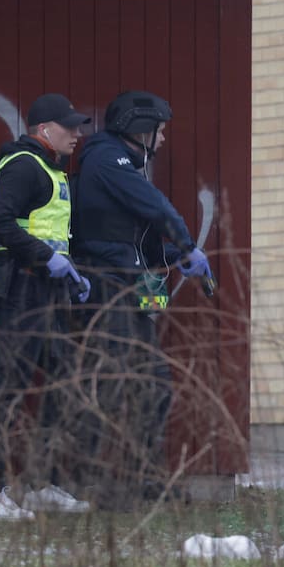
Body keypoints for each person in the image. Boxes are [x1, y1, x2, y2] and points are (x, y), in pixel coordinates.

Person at [69, 90, 212, 505]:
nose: (163, 139)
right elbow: (155, 207)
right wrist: (186, 243)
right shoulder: (106, 159)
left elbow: (133, 240)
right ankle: (98, 484)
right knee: (112, 385)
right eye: (159, 131)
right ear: (139, 129)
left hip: (125, 284)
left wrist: (173, 257)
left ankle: (147, 479)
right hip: (106, 286)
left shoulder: (123, 165)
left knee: (153, 384)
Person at [0, 93, 94, 520]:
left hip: (48, 292)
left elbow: (49, 231)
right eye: (70, 127)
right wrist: (47, 259)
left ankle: (43, 485)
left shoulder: (50, 169)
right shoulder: (25, 166)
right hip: (23, 290)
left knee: (60, 387)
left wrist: (71, 273)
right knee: (8, 390)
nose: (77, 134)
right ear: (45, 130)